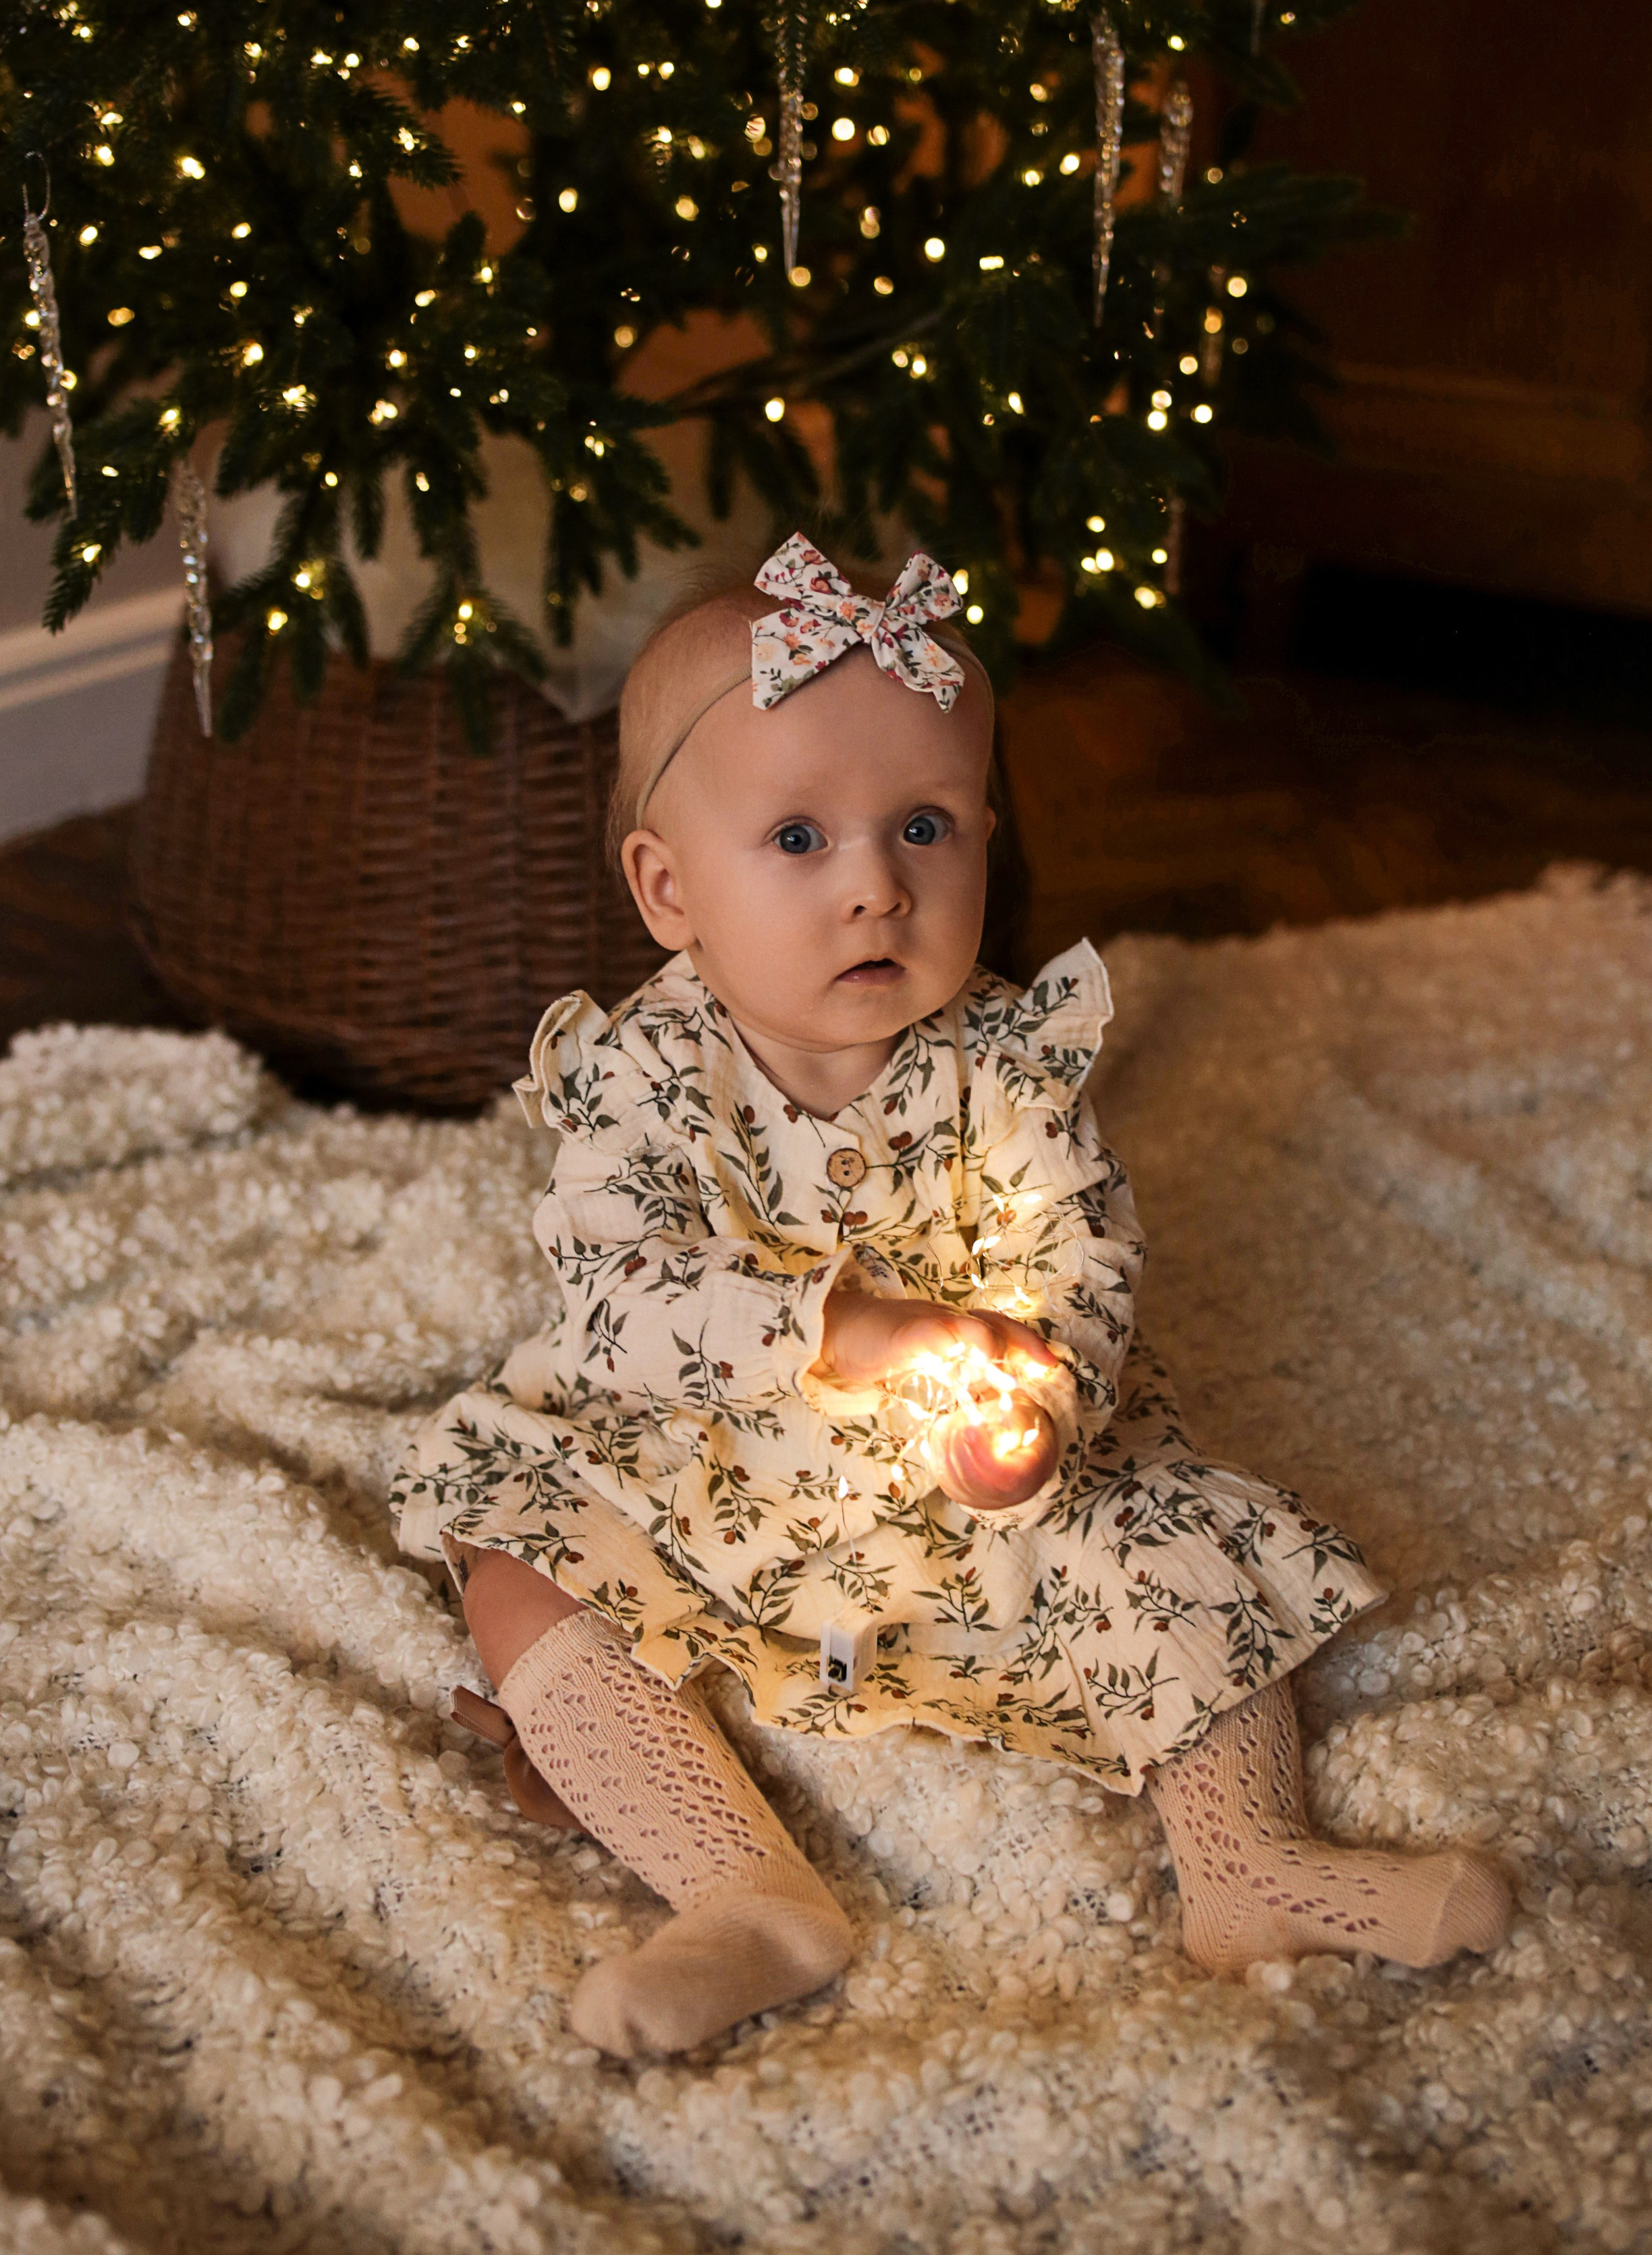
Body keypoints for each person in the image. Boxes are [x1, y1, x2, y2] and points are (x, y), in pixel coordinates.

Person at [393, 533, 1510, 2057]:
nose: (875, 887)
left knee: (1178, 1534)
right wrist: (839, 1332)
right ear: (667, 888)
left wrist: (1039, 1396)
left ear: (986, 834)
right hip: (704, 1453)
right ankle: (739, 1890)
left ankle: (1249, 1861)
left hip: (965, 1470)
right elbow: (620, 1301)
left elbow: (1082, 1251)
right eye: (798, 838)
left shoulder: (1007, 1065)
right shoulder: (642, 1073)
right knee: (516, 1550)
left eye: (923, 825)